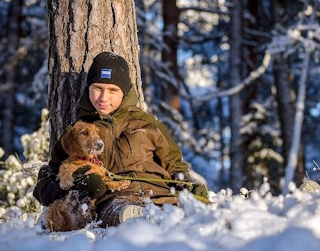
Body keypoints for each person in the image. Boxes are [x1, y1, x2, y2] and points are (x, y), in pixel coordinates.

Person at [33, 51, 208, 228]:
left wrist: (188, 186)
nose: (103, 98)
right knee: (127, 216)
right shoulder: (79, 131)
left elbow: (174, 164)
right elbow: (45, 184)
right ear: (89, 89)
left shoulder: (147, 123)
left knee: (200, 215)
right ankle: (141, 221)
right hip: (115, 201)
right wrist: (74, 184)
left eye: (112, 90)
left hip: (160, 194)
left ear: (124, 92)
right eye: (97, 88)